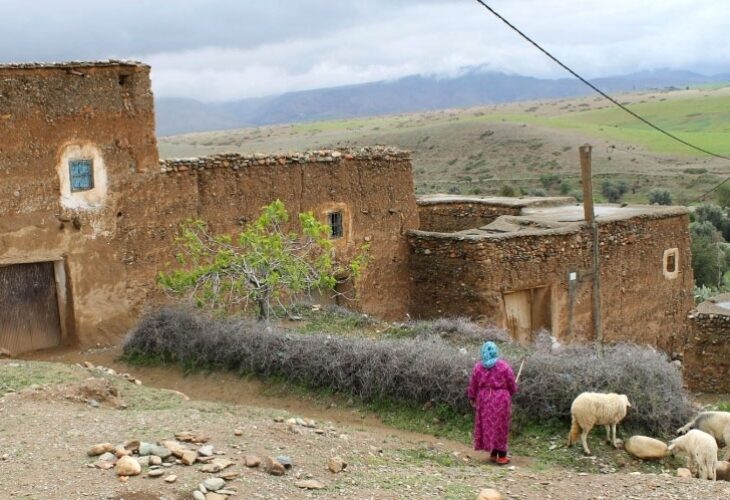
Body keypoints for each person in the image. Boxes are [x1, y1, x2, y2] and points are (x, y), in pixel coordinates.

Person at [467, 341, 517, 464]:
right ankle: (502, 456)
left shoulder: (478, 367)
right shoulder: (504, 366)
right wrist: (511, 391)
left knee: (489, 425)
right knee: (500, 426)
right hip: (501, 399)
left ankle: (494, 454)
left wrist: (472, 397)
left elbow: (473, 384)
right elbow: (511, 383)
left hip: (484, 399)